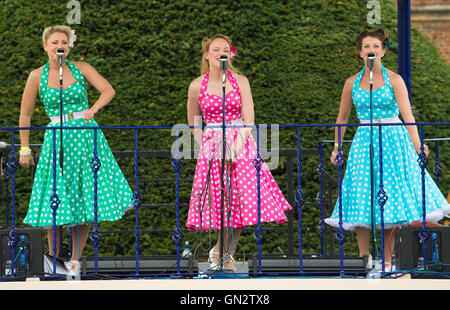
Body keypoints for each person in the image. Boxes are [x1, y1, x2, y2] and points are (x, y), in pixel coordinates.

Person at [325, 29, 450, 272]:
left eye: (375, 46)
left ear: (382, 51)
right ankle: (364, 258)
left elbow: (407, 114)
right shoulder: (351, 82)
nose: (370, 50)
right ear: (360, 53)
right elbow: (342, 119)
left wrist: (417, 146)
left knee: (390, 197)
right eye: (366, 46)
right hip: (364, 141)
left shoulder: (395, 80)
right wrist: (337, 147)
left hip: (393, 140)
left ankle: (388, 260)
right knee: (361, 195)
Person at [19, 25, 133, 275]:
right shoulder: (36, 75)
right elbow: (25, 113)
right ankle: (53, 261)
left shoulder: (81, 68)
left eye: (65, 42)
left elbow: (108, 90)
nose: (61, 45)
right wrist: (25, 148)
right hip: (56, 141)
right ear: (45, 46)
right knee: (55, 199)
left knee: (84, 198)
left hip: (84, 138)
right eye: (55, 42)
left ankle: (74, 261)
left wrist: (93, 109)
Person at [185, 34, 292, 272]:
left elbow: (249, 119)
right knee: (221, 201)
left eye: (225, 49)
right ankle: (219, 253)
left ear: (230, 54)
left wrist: (236, 145)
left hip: (240, 143)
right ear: (207, 55)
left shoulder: (240, 81)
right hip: (213, 145)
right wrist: (205, 144)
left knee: (241, 201)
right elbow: (193, 121)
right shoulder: (196, 85)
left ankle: (226, 254)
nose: (221, 53)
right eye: (215, 49)